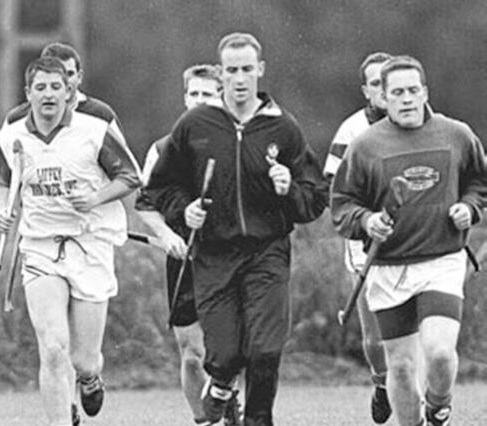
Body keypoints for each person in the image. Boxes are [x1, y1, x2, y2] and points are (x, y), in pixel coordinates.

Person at [145, 32, 328, 426]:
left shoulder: (284, 129)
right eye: (232, 70)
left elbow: (315, 198)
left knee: (265, 350)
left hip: (268, 252)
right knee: (224, 354)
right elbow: (160, 187)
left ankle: (258, 419)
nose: (240, 78)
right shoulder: (195, 125)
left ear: (260, 70)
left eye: (247, 69)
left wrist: (289, 190)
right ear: (221, 73)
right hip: (213, 254)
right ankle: (222, 381)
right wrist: (185, 209)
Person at [331, 55, 487, 426]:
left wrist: (469, 207)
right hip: (388, 268)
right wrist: (367, 222)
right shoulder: (365, 146)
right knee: (399, 368)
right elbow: (341, 206)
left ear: (425, 92)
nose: (406, 99)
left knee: (438, 353)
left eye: (413, 90)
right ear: (382, 97)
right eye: (397, 92)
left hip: (442, 260)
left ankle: (438, 404)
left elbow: (479, 182)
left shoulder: (456, 135)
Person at [0, 57, 141, 426]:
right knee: (54, 348)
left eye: (56, 87)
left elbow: (130, 177)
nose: (48, 95)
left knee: (82, 359)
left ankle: (90, 378)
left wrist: (94, 199)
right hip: (41, 246)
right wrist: (4, 209)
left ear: (69, 91)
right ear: (27, 93)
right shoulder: (12, 133)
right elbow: (4, 179)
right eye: (40, 87)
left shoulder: (93, 129)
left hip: (90, 244)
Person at [136, 64, 242, 426]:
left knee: (229, 350)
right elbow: (145, 205)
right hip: (184, 260)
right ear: (184, 98)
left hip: (230, 259)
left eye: (208, 94)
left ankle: (228, 397)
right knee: (192, 353)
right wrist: (167, 236)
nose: (199, 101)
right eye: (194, 94)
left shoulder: (240, 143)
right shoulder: (163, 149)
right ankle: (207, 420)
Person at [323, 51, 393, 424]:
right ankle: (382, 383)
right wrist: (366, 216)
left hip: (417, 240)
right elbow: (329, 189)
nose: (386, 89)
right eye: (376, 83)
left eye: (390, 79)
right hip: (365, 240)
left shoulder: (422, 121)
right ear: (366, 90)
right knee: (375, 338)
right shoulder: (351, 131)